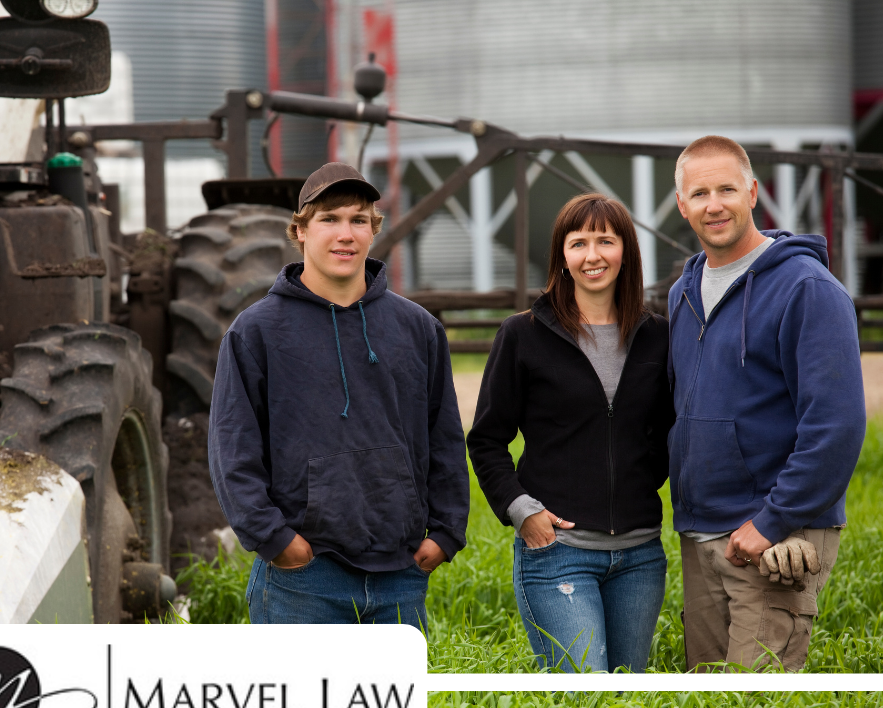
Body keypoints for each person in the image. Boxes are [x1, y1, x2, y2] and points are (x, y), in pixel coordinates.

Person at [208, 162, 469, 631]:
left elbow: (445, 435)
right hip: (303, 579)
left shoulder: (418, 329)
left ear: (373, 231)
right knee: (301, 706)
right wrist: (276, 540)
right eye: (329, 219)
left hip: (400, 577)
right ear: (300, 230)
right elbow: (232, 447)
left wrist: (447, 532)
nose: (345, 233)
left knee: (394, 707)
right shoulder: (256, 331)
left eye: (358, 219)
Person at [669, 135, 866, 671]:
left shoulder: (807, 289)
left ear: (753, 192)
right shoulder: (683, 291)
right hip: (703, 531)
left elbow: (836, 425)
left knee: (756, 703)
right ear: (682, 204)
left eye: (727, 189)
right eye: (700, 193)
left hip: (776, 535)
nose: (715, 205)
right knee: (707, 706)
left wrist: (772, 522)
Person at [467, 193, 674, 673]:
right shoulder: (522, 335)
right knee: (585, 698)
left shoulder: (658, 336)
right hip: (558, 554)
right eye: (578, 243)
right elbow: (486, 439)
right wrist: (524, 513)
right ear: (562, 255)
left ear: (626, 252)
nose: (593, 255)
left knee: (625, 701)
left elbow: (668, 429)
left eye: (606, 240)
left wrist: (644, 485)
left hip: (640, 555)